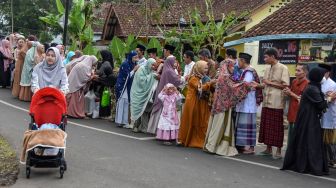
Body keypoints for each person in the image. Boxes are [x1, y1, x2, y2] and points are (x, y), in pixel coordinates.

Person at [282, 67, 329, 176]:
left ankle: (306, 164)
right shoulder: (312, 88)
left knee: (308, 141)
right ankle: (308, 165)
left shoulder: (313, 86)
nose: (324, 78)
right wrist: (330, 98)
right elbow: (321, 104)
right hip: (309, 119)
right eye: (322, 76)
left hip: (308, 117)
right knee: (311, 141)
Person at [204, 59, 253, 156]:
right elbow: (233, 87)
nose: (233, 68)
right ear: (227, 66)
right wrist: (246, 84)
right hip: (223, 107)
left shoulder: (223, 76)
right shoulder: (225, 77)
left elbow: (234, 84)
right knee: (221, 125)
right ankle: (215, 146)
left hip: (220, 105)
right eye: (231, 66)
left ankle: (212, 146)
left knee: (219, 125)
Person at [256, 47, 290, 159]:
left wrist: (269, 83)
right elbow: (265, 84)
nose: (264, 59)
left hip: (277, 103)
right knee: (266, 126)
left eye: (266, 57)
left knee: (277, 127)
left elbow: (285, 85)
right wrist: (256, 85)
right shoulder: (267, 69)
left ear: (273, 57)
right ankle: (268, 149)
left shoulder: (283, 68)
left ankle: (279, 151)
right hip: (266, 102)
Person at [178, 60, 216, 148]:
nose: (206, 70)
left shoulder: (204, 77)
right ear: (199, 68)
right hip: (193, 103)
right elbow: (200, 88)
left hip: (200, 102)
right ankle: (187, 139)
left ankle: (199, 139)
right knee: (192, 120)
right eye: (205, 68)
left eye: (207, 68)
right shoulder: (193, 78)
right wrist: (210, 83)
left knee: (201, 121)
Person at [235, 52, 262, 154]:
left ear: (243, 61)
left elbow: (245, 85)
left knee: (248, 126)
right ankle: (244, 147)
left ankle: (251, 148)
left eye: (238, 61)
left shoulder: (249, 72)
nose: (238, 63)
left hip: (248, 104)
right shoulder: (245, 71)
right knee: (245, 126)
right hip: (245, 103)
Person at [147, 56, 182, 134]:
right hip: (167, 96)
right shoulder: (170, 71)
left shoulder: (166, 69)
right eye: (174, 61)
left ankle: (155, 129)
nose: (175, 62)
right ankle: (161, 132)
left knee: (160, 112)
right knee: (164, 114)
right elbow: (176, 81)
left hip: (163, 93)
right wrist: (183, 79)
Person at [283, 64, 309, 145]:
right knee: (290, 136)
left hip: (300, 113)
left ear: (305, 73)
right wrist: (286, 92)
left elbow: (302, 99)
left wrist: (290, 93)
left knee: (297, 137)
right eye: (296, 70)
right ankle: (290, 155)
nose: (296, 72)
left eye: (298, 71)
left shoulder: (307, 84)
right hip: (292, 111)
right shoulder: (294, 81)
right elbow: (290, 94)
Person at [130, 58, 158, 133]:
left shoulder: (152, 71)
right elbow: (141, 81)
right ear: (148, 63)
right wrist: (152, 76)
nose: (153, 67)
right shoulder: (141, 70)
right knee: (139, 109)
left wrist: (152, 75)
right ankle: (135, 126)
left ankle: (144, 127)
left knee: (145, 111)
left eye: (154, 65)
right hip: (138, 93)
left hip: (147, 94)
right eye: (152, 65)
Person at [115, 51, 139, 127]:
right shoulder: (125, 64)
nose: (136, 59)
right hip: (122, 86)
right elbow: (127, 75)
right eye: (134, 57)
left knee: (126, 104)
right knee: (121, 103)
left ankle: (125, 122)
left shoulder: (134, 64)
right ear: (130, 57)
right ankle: (119, 121)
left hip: (128, 87)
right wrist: (134, 70)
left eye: (136, 57)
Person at [319, 63, 336, 168]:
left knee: (330, 140)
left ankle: (333, 160)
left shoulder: (332, 84)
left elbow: (331, 99)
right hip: (321, 115)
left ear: (327, 73)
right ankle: (325, 159)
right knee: (322, 140)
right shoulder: (319, 83)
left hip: (330, 115)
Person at [93, 50, 116, 118]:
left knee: (104, 99)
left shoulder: (106, 63)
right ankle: (106, 114)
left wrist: (94, 71)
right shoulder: (109, 62)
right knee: (106, 99)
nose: (101, 56)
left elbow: (100, 72)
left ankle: (103, 114)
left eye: (102, 55)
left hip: (104, 82)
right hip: (106, 82)